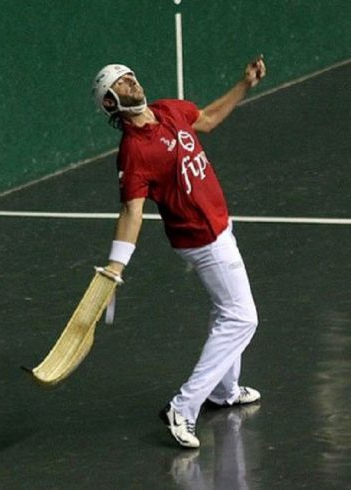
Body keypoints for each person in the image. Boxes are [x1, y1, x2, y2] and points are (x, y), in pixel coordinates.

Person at [91, 56, 266, 448]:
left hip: (220, 224)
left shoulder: (168, 109)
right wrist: (115, 267)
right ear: (109, 103)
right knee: (242, 319)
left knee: (227, 312)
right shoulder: (134, 152)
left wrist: (244, 85)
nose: (132, 83)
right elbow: (131, 212)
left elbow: (205, 118)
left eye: (131, 75)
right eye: (121, 83)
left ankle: (224, 391)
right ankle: (183, 408)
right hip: (202, 238)